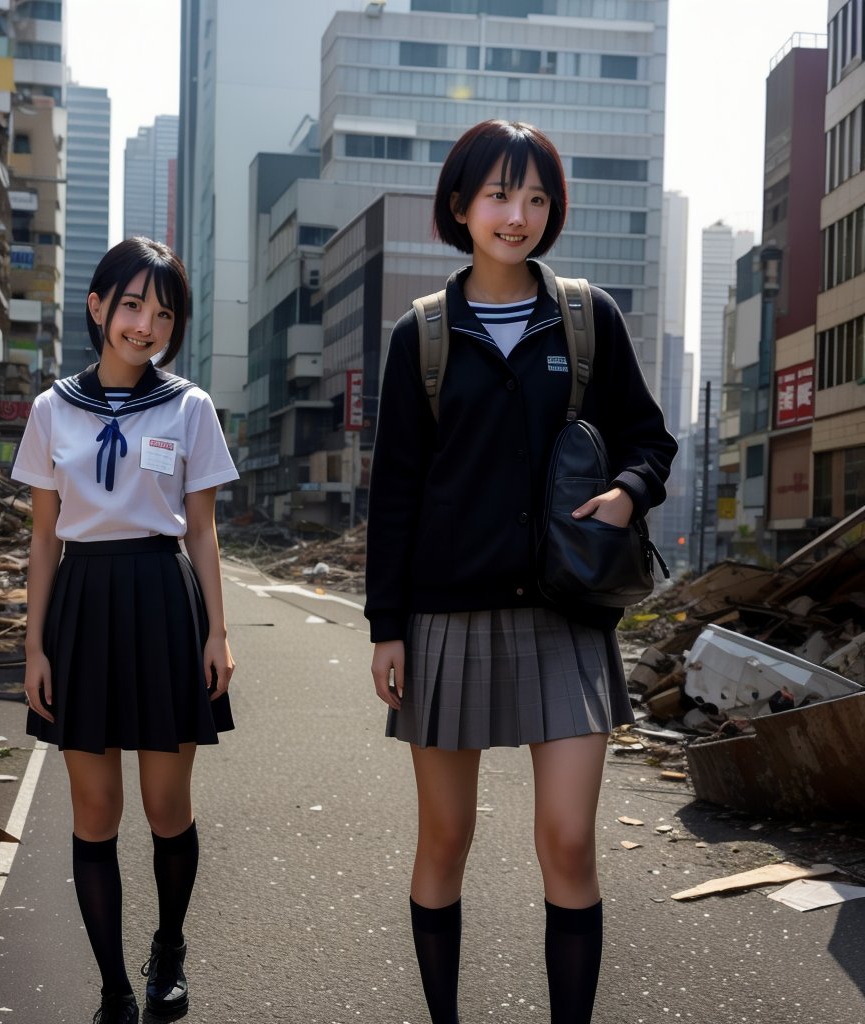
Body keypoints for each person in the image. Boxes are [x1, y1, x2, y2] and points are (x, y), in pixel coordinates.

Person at [365, 120, 677, 1023]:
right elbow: (395, 493)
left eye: (537, 198)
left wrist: (626, 492)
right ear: (459, 206)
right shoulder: (419, 335)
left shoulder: (586, 316)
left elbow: (649, 436)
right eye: (500, 195)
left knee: (570, 842)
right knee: (445, 839)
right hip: (444, 618)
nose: (519, 215)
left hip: (566, 615)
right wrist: (387, 626)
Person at [12, 237, 239, 1024]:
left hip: (163, 599)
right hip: (82, 603)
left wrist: (218, 632)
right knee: (95, 809)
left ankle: (167, 950)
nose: (145, 326)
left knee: (166, 806)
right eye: (133, 305)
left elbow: (203, 531)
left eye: (163, 313)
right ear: (98, 305)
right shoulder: (50, 409)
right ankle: (113, 987)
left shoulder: (190, 406)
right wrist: (35, 645)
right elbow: (44, 538)